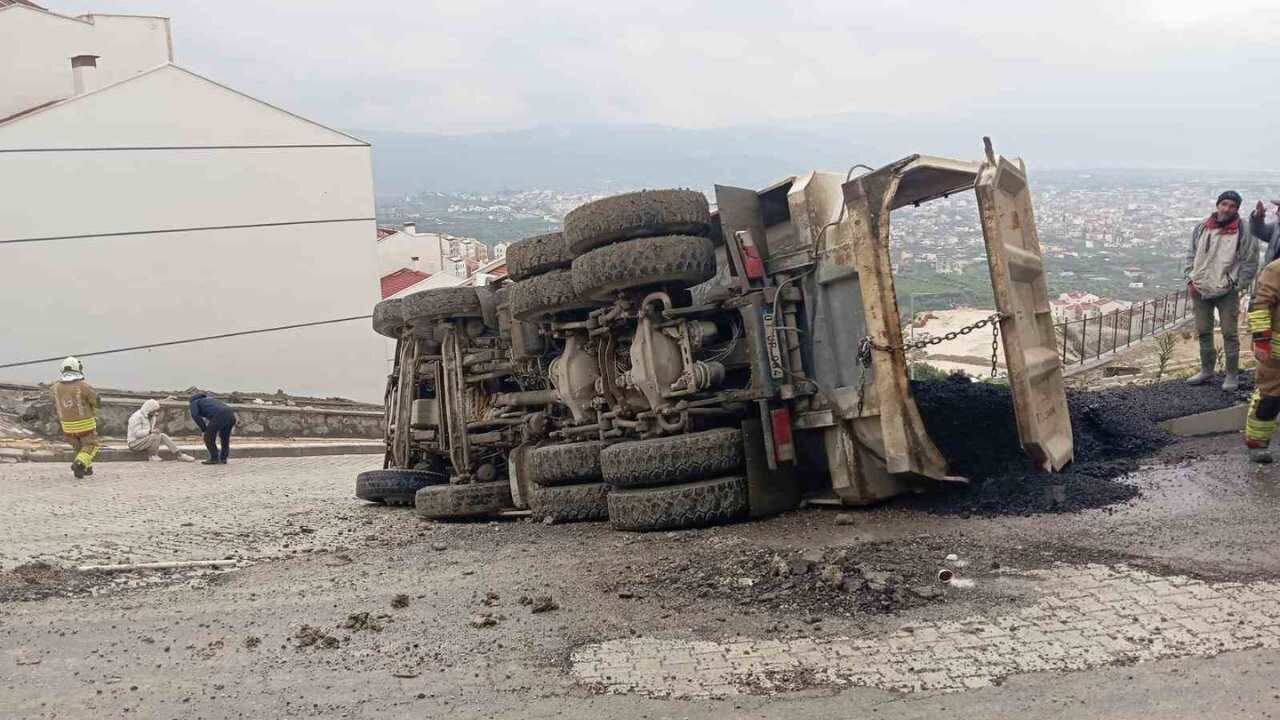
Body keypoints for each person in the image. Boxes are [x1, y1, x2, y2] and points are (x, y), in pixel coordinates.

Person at [1184, 190, 1258, 391]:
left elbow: (1250, 261)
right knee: (1203, 331)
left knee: (1229, 333)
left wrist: (1238, 285)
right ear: (1218, 205)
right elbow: (1191, 253)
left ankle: (1231, 374)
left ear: (1237, 209)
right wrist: (1189, 278)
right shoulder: (1202, 227)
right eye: (1224, 204)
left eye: (1232, 206)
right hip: (1200, 288)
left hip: (1226, 290)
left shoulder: (1242, 230)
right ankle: (1206, 370)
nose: (1227, 209)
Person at [1245, 256, 1280, 463]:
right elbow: (1260, 305)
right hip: (1275, 354)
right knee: (1270, 398)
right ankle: (1257, 442)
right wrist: (1261, 342)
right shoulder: (1275, 270)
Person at [51, 357, 100, 479]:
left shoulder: (54, 387)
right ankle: (80, 464)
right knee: (91, 445)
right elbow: (96, 401)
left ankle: (86, 468)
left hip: (67, 426)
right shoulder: (83, 385)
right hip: (85, 424)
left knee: (79, 447)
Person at [127, 399, 194, 462]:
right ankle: (153, 456)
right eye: (154, 410)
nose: (156, 412)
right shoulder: (136, 417)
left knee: (162, 435)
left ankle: (179, 454)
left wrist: (153, 431)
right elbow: (136, 433)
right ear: (149, 409)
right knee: (155, 435)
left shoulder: (152, 417)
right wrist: (150, 431)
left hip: (144, 440)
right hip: (134, 443)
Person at [189, 393, 237, 465]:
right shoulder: (210, 400)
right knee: (224, 438)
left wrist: (204, 429)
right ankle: (223, 458)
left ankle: (214, 458)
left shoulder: (194, 402)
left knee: (208, 437)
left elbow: (195, 416)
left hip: (220, 415)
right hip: (231, 414)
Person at [1252, 198, 1280, 267]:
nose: (1276, 213)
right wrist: (1258, 218)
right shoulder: (1277, 226)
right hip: (1272, 271)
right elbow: (1259, 232)